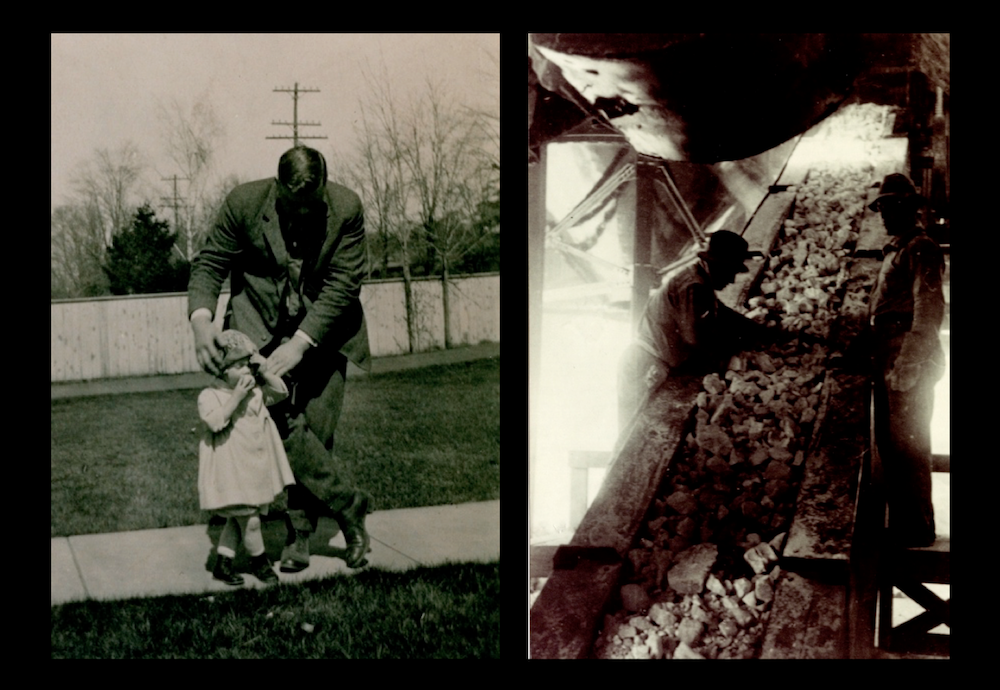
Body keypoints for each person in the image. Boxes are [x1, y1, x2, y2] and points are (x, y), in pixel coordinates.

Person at [188, 145, 373, 572]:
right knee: (281, 425)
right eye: (295, 207)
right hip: (257, 330)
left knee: (318, 432)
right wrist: (202, 320)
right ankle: (348, 509)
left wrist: (302, 341)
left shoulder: (346, 209)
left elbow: (345, 284)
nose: (305, 216)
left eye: (314, 207)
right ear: (278, 190)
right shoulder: (244, 203)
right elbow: (211, 262)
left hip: (326, 333)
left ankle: (300, 536)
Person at [617, 229, 778, 431]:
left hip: (648, 360)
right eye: (731, 271)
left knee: (635, 430)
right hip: (645, 366)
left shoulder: (700, 279)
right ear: (717, 265)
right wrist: (729, 358)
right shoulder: (693, 286)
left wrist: (759, 331)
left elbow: (724, 314)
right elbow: (695, 338)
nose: (732, 280)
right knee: (633, 434)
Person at [867, 172, 946, 548]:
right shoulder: (897, 249)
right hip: (890, 354)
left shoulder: (921, 247)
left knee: (909, 444)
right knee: (893, 444)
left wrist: (908, 364)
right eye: (882, 207)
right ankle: (905, 524)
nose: (884, 215)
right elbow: (880, 310)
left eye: (892, 207)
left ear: (909, 208)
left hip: (907, 358)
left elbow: (928, 312)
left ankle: (916, 529)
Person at [198, 330, 295, 586]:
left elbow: (280, 392)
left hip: (254, 467)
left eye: (247, 366)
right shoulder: (210, 396)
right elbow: (215, 422)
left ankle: (223, 562)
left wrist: (263, 370)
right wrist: (236, 397)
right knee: (250, 521)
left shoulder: (256, 392)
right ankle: (259, 562)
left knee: (238, 519)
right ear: (221, 371)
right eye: (239, 367)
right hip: (231, 469)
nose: (246, 372)